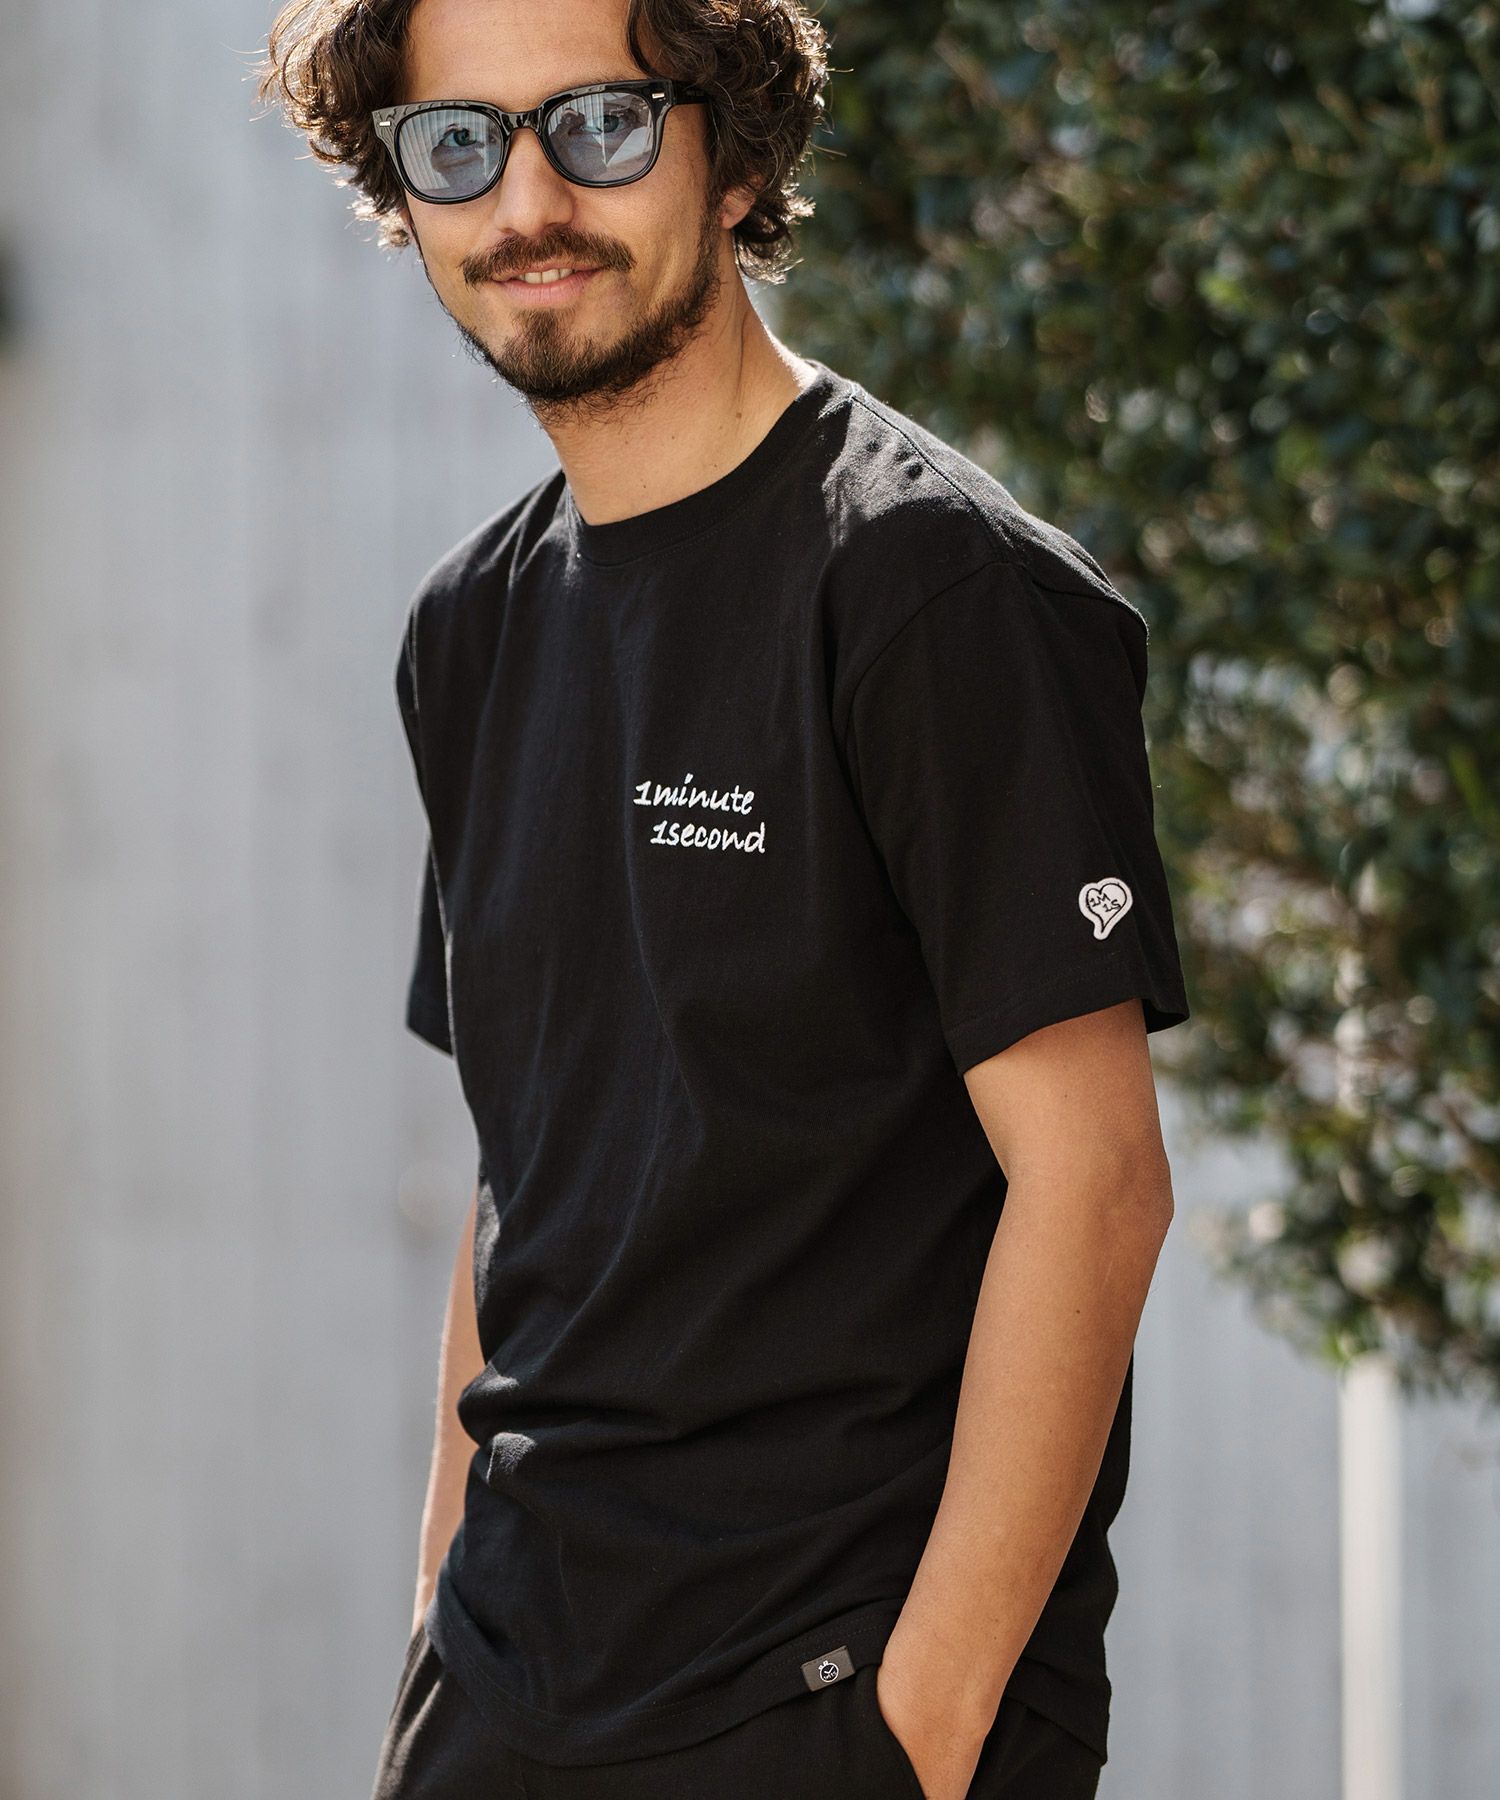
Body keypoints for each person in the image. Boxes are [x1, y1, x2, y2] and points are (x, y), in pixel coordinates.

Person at [257, 2, 1192, 1795]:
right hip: (511, 1688)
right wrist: (440, 1611)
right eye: (457, 144)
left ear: (738, 153)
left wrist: (920, 1725)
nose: (527, 200)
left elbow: (1096, 1184)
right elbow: (523, 1176)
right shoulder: (471, 628)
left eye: (599, 124)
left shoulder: (930, 588)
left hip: (825, 1694)